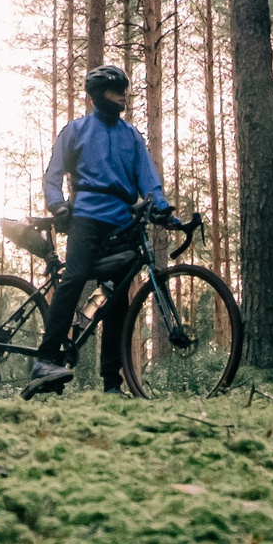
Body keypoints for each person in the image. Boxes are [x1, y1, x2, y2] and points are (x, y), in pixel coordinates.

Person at [24, 64, 166, 396]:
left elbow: (148, 178)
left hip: (122, 223)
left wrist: (162, 208)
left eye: (124, 90)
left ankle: (112, 382)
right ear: (96, 97)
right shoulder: (75, 130)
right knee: (74, 277)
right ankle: (45, 360)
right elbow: (53, 175)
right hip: (85, 216)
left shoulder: (132, 136)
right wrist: (57, 205)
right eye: (116, 90)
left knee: (117, 298)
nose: (123, 96)